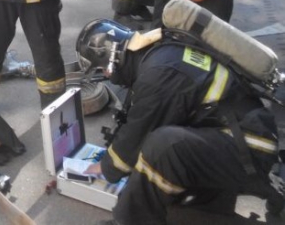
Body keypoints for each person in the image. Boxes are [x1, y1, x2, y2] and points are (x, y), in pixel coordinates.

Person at [76, 18, 280, 225]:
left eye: (102, 69)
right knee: (164, 151)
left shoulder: (158, 75)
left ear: (110, 56)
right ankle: (203, 203)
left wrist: (105, 167)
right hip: (239, 134)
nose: (106, 75)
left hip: (251, 147)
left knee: (163, 146)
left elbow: (133, 142)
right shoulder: (160, 51)